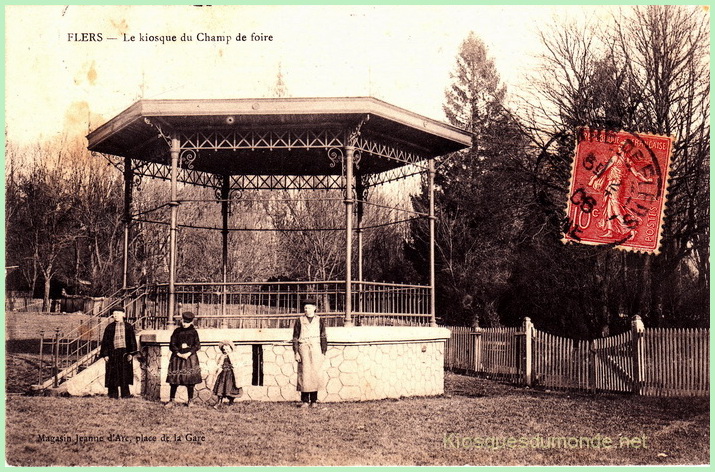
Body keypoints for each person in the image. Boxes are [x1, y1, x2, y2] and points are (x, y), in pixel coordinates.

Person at [292, 298, 328, 408]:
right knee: (304, 373)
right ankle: (305, 400)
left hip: (316, 348)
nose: (307, 310)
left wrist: (323, 351)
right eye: (305, 308)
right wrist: (296, 352)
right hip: (304, 348)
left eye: (309, 307)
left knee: (315, 374)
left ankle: (314, 400)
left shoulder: (319, 320)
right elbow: (295, 337)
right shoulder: (300, 320)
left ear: (314, 308)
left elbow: (323, 335)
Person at [165, 311, 202, 407]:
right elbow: (172, 344)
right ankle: (171, 400)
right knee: (174, 379)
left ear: (191, 322)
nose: (185, 324)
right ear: (181, 320)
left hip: (190, 358)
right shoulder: (177, 331)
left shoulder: (194, 332)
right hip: (177, 358)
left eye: (187, 322)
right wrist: (178, 353)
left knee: (190, 380)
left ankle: (190, 401)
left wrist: (189, 353)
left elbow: (197, 345)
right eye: (184, 322)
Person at [99, 309, 137, 399]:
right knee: (113, 374)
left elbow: (132, 341)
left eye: (118, 313)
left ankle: (125, 394)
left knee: (124, 373)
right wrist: (105, 355)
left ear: (123, 314)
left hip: (125, 353)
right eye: (114, 314)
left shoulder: (128, 327)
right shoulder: (109, 327)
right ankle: (113, 394)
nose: (115, 315)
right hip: (113, 353)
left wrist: (131, 353)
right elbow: (105, 342)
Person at [212, 340, 243, 409]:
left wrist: (234, 367)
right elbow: (219, 364)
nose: (226, 350)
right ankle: (219, 402)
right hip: (223, 374)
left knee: (231, 388)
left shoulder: (234, 355)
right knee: (221, 387)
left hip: (231, 374)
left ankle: (231, 402)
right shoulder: (222, 356)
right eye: (224, 349)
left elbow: (238, 364)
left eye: (227, 349)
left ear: (231, 348)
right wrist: (219, 369)